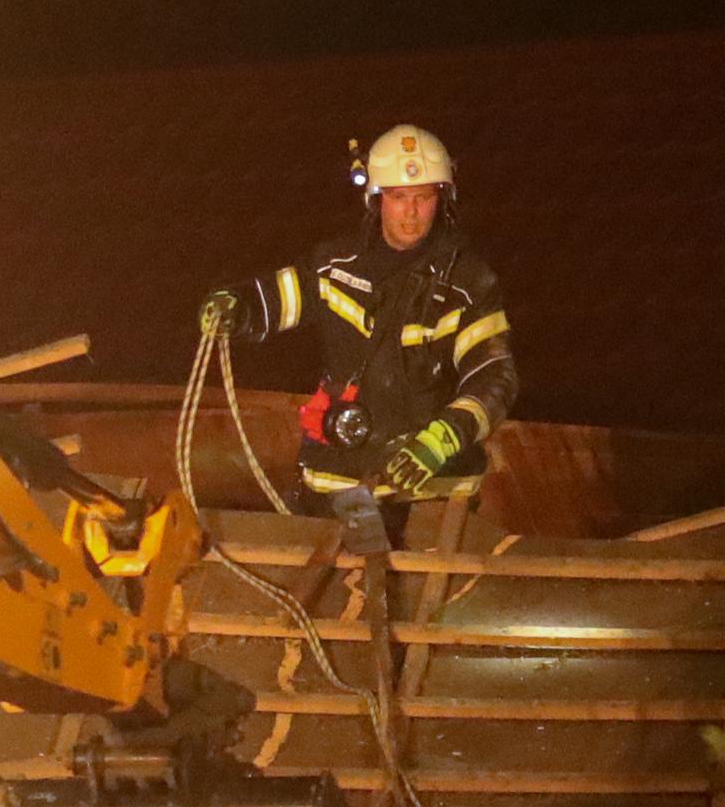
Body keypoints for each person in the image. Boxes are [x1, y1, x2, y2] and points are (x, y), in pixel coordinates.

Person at [200, 123, 517, 556]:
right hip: (337, 483)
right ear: (376, 199)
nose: (411, 212)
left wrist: (442, 439)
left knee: (428, 589)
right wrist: (236, 305)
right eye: (399, 197)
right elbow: (279, 297)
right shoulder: (335, 266)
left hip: (432, 491)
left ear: (443, 200)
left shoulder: (469, 284)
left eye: (424, 197)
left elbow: (494, 378)